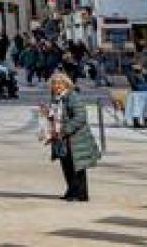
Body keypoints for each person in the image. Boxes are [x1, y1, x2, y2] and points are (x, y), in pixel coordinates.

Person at [48, 72, 100, 202]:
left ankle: (81, 194)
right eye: (54, 83)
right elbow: (54, 114)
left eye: (59, 83)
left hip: (76, 137)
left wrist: (65, 130)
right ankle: (71, 191)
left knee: (77, 165)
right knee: (66, 164)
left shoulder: (73, 96)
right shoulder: (56, 98)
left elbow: (80, 117)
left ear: (66, 84)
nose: (57, 86)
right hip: (62, 137)